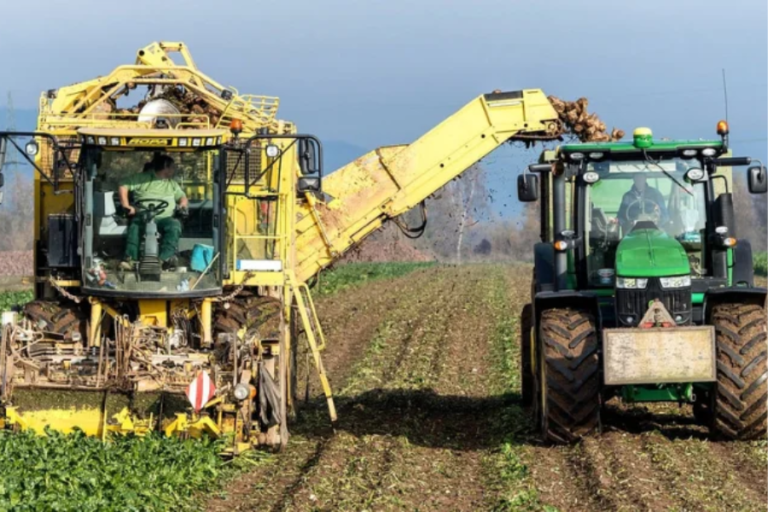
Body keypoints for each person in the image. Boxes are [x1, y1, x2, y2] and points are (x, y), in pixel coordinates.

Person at [118, 155, 188, 270]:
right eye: (172, 167)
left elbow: (182, 197)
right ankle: (130, 260)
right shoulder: (141, 178)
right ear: (165, 167)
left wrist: (182, 206)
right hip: (143, 215)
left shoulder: (172, 184)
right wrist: (126, 205)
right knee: (135, 226)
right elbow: (123, 186)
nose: (174, 170)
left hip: (164, 218)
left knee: (174, 226)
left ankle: (163, 259)